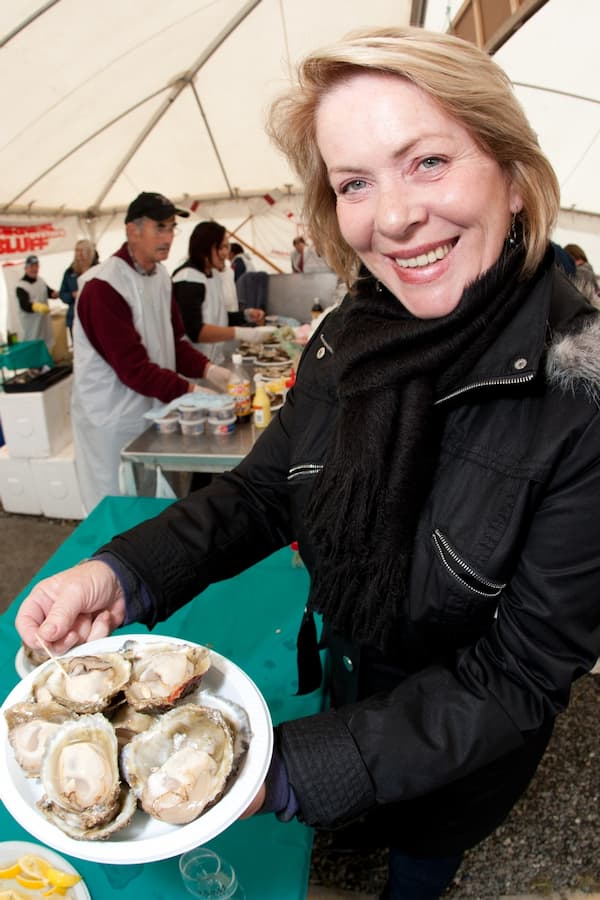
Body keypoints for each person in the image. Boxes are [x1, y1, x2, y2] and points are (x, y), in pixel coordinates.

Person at [15, 28, 600, 900]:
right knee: (348, 823)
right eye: (355, 182)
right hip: (351, 675)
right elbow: (260, 493)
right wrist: (123, 575)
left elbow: (518, 676)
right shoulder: (350, 341)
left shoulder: (580, 398)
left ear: (513, 175)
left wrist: (290, 772)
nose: (392, 217)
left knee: (420, 864)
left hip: (460, 751)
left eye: (429, 161)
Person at [70, 191, 231, 514]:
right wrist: (191, 390)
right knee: (117, 508)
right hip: (113, 419)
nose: (168, 237)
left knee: (154, 507)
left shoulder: (160, 278)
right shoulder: (103, 288)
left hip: (153, 411)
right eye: (160, 227)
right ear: (133, 230)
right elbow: (133, 369)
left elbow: (175, 342)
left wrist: (210, 370)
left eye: (172, 228)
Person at [172, 221, 271, 365]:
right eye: (222, 247)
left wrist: (245, 315)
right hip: (193, 367)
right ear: (205, 248)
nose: (226, 253)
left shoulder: (214, 275)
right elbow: (195, 331)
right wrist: (239, 332)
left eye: (227, 247)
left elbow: (219, 318)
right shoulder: (187, 277)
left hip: (214, 361)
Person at [14, 254, 58, 347]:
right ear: (26, 268)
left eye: (36, 266)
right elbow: (24, 305)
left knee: (45, 346)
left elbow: (48, 292)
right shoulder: (21, 286)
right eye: (31, 266)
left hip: (43, 323)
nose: (34, 269)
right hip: (30, 325)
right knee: (32, 347)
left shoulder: (40, 281)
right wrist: (37, 307)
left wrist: (54, 294)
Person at [58, 239, 97, 336]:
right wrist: (72, 295)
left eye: (82, 250)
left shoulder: (98, 269)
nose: (79, 254)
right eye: (77, 250)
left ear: (89, 252)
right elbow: (62, 293)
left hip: (95, 316)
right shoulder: (69, 272)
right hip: (75, 318)